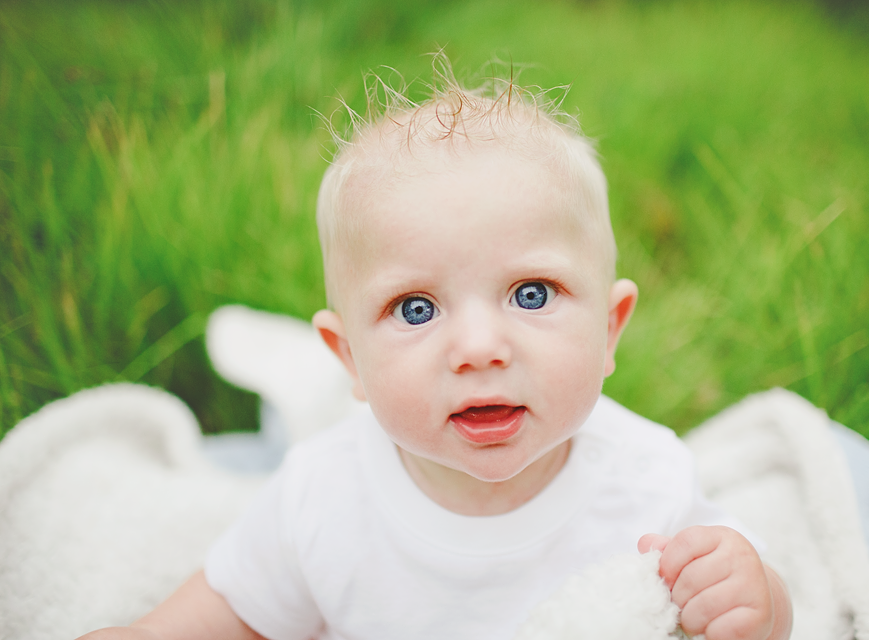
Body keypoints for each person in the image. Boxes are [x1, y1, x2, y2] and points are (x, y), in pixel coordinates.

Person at [81, 59, 792, 640]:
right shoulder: (322, 497)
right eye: (415, 309)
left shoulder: (649, 482)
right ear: (350, 359)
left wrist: (756, 603)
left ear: (610, 330)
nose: (479, 349)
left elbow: (738, 597)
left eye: (532, 293)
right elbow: (230, 614)